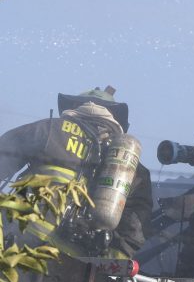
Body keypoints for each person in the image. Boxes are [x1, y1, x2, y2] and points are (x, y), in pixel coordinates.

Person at [0, 86, 151, 260]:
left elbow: (5, 153)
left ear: (74, 106)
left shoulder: (50, 129)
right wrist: (112, 262)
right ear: (114, 116)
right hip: (76, 263)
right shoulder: (130, 163)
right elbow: (136, 222)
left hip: (22, 244)